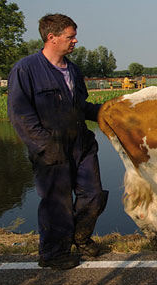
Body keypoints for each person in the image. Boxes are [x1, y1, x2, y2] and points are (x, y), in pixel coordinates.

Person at [7, 13, 108, 270]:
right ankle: (53, 252)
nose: (75, 41)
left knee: (93, 195)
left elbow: (81, 105)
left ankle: (81, 237)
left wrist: (108, 112)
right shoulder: (26, 69)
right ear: (52, 38)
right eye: (70, 36)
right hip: (50, 148)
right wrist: (43, 146)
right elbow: (20, 114)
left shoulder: (73, 69)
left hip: (81, 144)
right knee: (57, 202)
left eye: (74, 36)